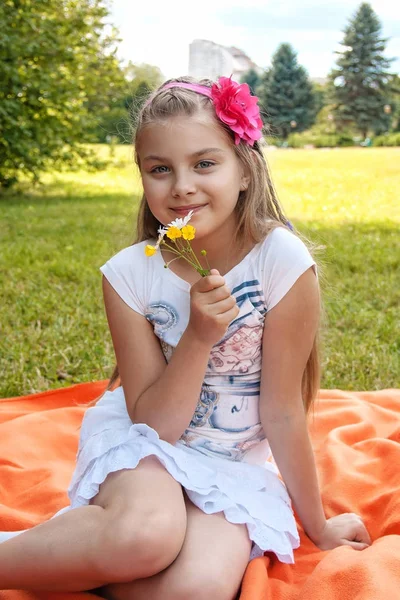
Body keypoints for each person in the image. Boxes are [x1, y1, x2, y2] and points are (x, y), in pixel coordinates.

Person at [0, 76, 371, 599]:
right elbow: (153, 424)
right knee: (144, 537)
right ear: (143, 178)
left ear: (245, 170)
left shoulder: (280, 263)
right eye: (159, 170)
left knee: (194, 589)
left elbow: (284, 411)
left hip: (229, 463)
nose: (181, 186)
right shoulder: (131, 275)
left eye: (204, 163)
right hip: (146, 445)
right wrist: (198, 338)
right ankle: (46, 553)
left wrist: (319, 526)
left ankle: (75, 558)